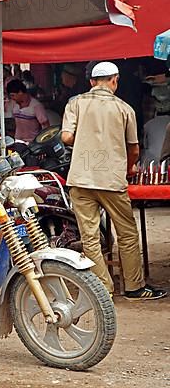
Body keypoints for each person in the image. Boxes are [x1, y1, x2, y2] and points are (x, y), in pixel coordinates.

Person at [61, 62, 166, 301]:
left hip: (81, 178)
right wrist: (128, 166)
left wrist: (86, 141)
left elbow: (66, 136)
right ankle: (134, 287)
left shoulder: (74, 103)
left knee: (90, 237)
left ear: (91, 82)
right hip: (111, 180)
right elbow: (135, 150)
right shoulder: (124, 108)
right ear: (115, 80)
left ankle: (102, 290)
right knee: (127, 233)